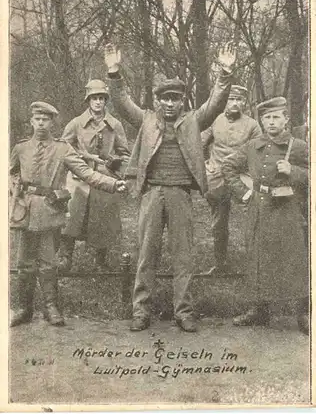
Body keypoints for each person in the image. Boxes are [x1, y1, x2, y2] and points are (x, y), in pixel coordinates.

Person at [104, 42, 236, 333]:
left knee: (183, 256)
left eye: (175, 99)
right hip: (152, 193)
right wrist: (114, 72)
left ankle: (184, 312)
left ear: (182, 102)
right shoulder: (146, 119)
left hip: (180, 195)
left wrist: (225, 72)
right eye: (164, 99)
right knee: (146, 254)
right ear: (158, 101)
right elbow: (123, 102)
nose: (169, 104)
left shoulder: (193, 121)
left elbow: (215, 103)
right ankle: (141, 312)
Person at [10, 101, 126, 327]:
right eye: (37, 119)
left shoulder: (63, 149)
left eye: (46, 119)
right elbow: (9, 172)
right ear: (31, 122)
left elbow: (86, 173)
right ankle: (23, 308)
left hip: (50, 211)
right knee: (24, 263)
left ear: (53, 123)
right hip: (24, 213)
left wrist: (113, 184)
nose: (41, 123)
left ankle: (51, 307)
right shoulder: (21, 148)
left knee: (48, 263)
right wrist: (13, 191)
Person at [222, 97, 309, 335]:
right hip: (260, 207)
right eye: (267, 117)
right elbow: (228, 167)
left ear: (286, 120)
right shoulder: (253, 145)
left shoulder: (299, 146)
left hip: (288, 208)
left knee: (293, 258)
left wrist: (295, 171)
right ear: (261, 120)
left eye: (276, 117)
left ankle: (303, 312)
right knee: (258, 258)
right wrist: (245, 193)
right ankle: (259, 310)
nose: (271, 122)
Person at [58, 79, 130, 272]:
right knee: (71, 218)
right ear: (88, 100)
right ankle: (65, 258)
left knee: (103, 220)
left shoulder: (115, 125)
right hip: (78, 178)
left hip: (105, 179)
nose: (98, 102)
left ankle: (100, 261)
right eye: (94, 98)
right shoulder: (76, 124)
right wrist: (82, 156)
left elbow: (125, 154)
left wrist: (113, 160)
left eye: (101, 98)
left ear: (106, 100)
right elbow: (62, 149)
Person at [202, 85, 261, 274]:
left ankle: (256, 264)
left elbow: (259, 152)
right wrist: (205, 163)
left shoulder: (252, 125)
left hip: (242, 177)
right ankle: (220, 264)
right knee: (219, 222)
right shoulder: (215, 120)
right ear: (224, 101)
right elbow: (198, 144)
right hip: (217, 177)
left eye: (239, 100)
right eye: (231, 99)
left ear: (244, 102)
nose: (235, 103)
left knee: (254, 217)